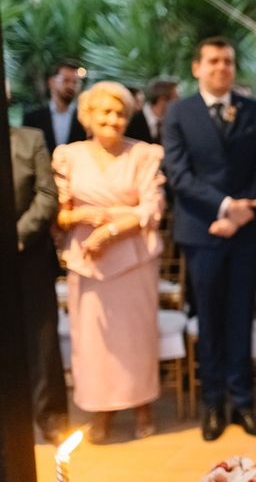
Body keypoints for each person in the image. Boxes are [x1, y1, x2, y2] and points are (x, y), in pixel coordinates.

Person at [162, 36, 256, 441]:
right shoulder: (178, 112)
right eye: (213, 61)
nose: (221, 67)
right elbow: (179, 175)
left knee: (241, 316)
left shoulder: (253, 109)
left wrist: (244, 210)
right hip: (202, 230)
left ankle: (243, 402)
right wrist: (226, 207)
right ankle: (213, 403)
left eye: (227, 61)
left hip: (246, 232)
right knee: (208, 320)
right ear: (197, 68)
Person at [51, 81, 165, 443]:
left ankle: (142, 406)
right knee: (94, 342)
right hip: (87, 262)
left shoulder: (144, 154)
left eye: (119, 113)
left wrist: (113, 227)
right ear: (87, 116)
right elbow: (59, 216)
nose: (112, 119)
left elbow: (152, 208)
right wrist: (88, 220)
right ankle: (101, 410)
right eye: (104, 111)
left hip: (134, 260)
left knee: (136, 337)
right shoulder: (68, 156)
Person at [12, 126, 69, 444]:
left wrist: (16, 237)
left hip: (29, 255)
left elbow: (47, 194)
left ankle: (51, 417)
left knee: (42, 339)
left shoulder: (30, 139)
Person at [23, 61, 86, 154]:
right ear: (51, 82)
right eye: (66, 80)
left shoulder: (84, 119)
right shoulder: (32, 118)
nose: (71, 86)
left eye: (75, 82)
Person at [125, 77, 179, 144]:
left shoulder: (174, 124)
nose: (180, 102)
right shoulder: (131, 121)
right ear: (162, 100)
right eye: (176, 98)